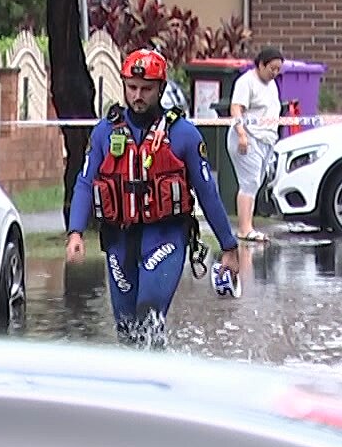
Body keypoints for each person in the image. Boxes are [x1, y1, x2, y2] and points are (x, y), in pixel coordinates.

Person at [67, 48, 243, 348]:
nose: (138, 95)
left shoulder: (183, 134)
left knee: (149, 314)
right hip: (119, 239)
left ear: (161, 89)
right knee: (126, 329)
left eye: (146, 89)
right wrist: (75, 231)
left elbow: (207, 192)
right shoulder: (104, 133)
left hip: (165, 236)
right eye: (132, 88)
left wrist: (229, 246)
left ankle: (156, 381)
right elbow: (84, 182)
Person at [228, 46, 285, 242]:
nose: (275, 73)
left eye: (278, 69)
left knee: (256, 182)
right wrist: (242, 134)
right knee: (249, 182)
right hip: (248, 138)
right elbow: (236, 109)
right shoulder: (246, 82)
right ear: (261, 65)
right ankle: (244, 229)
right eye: (272, 68)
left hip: (265, 140)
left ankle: (248, 225)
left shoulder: (272, 85)